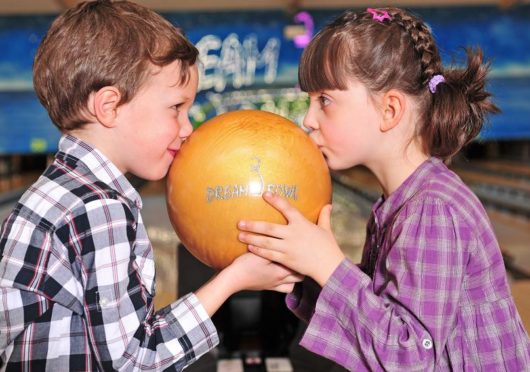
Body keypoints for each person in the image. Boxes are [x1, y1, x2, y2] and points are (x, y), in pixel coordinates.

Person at [0, 1, 301, 370]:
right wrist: (232, 280)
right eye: (176, 108)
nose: (188, 128)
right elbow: (136, 361)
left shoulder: (54, 193)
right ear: (109, 107)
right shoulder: (99, 210)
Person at [238, 7, 530, 371]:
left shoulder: (432, 209)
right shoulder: (401, 203)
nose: (308, 119)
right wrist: (305, 276)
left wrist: (328, 265)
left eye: (324, 100)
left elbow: (410, 358)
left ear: (389, 110)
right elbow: (379, 318)